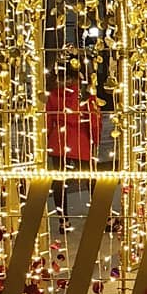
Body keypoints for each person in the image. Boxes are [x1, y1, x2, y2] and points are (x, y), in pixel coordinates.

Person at [45, 69, 101, 232]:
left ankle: (63, 221)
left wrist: (48, 139)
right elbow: (93, 119)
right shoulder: (85, 95)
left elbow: (48, 119)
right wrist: (95, 139)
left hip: (59, 140)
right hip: (79, 140)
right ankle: (103, 217)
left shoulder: (53, 94)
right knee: (91, 179)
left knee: (59, 182)